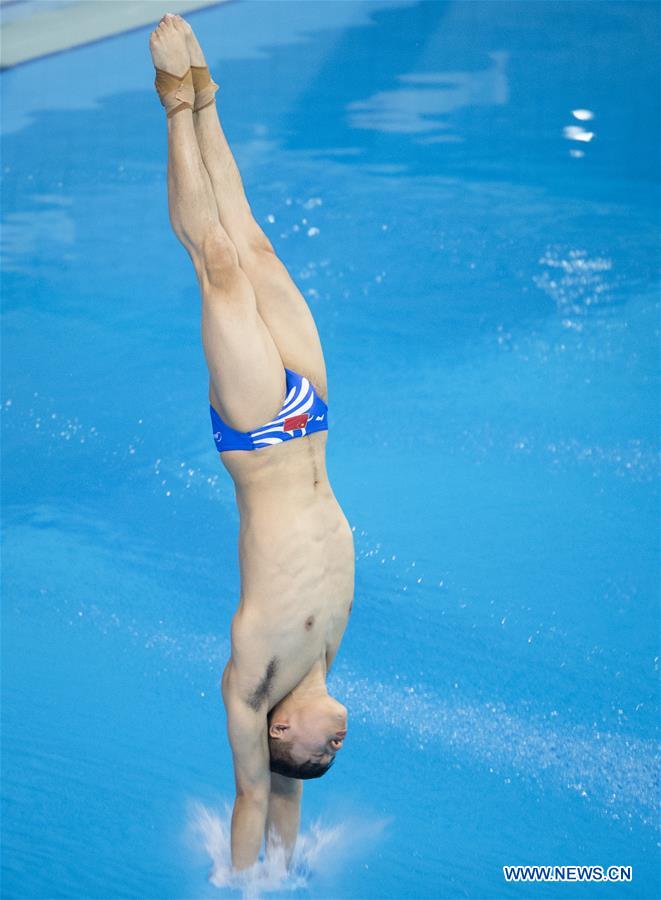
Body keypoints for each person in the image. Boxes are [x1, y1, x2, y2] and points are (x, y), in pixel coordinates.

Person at [149, 13, 354, 872]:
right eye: (330, 756)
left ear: (277, 731)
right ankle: (208, 100)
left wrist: (244, 889)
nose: (333, 749)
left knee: (220, 266)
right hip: (312, 415)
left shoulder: (255, 681)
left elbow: (257, 794)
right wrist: (285, 869)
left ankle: (172, 102)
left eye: (317, 753)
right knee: (256, 243)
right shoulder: (320, 656)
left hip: (260, 435)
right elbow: (289, 799)